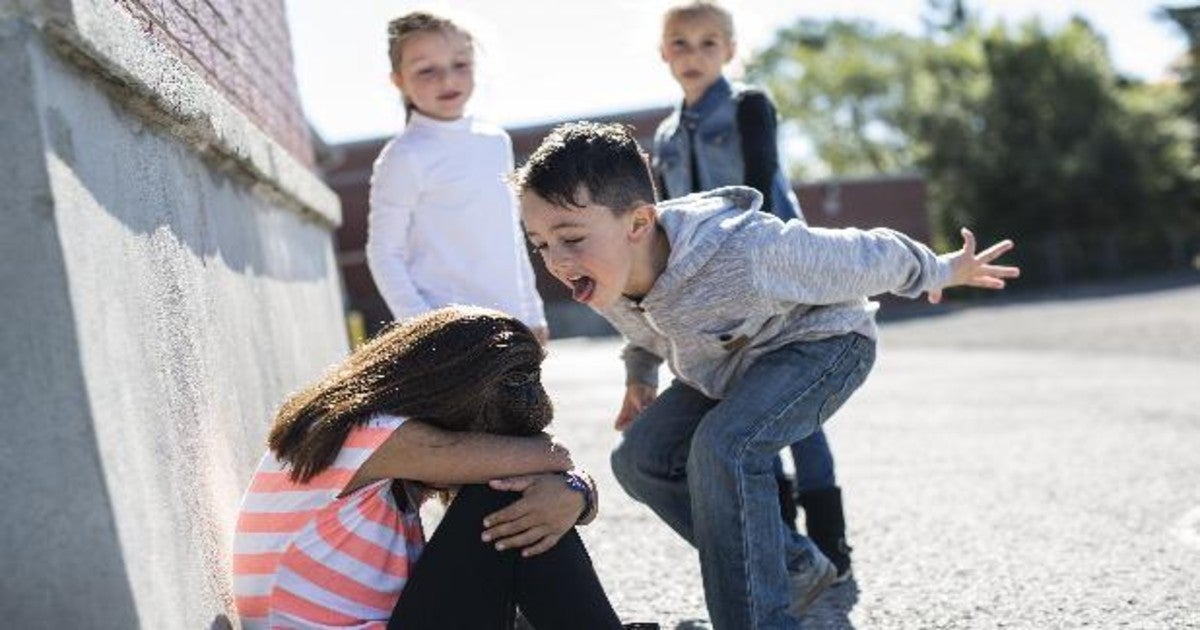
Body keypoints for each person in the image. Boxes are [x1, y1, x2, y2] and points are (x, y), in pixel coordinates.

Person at [513, 122, 1019, 629]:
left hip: (823, 345)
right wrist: (639, 374)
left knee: (724, 446)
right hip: (725, 368)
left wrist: (941, 269)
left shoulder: (745, 252)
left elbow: (864, 254)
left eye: (571, 238)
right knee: (639, 459)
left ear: (639, 223)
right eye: (539, 245)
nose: (556, 261)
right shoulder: (605, 271)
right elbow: (644, 329)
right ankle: (793, 567)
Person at [231, 306, 623, 629]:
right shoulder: (363, 433)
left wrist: (577, 492)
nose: (482, 451)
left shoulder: (372, 450)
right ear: (451, 398)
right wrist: (572, 484)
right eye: (483, 437)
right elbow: (551, 456)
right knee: (502, 493)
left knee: (517, 507)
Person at [650, 0, 850, 576]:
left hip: (777, 279)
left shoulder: (749, 106)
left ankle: (832, 546)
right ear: (664, 53)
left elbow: (761, 184)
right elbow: (667, 217)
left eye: (709, 43)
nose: (694, 55)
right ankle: (787, 549)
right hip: (711, 297)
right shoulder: (664, 134)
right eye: (681, 44)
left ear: (731, 51)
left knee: (797, 415)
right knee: (747, 415)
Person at [367, 11, 548, 343]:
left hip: (512, 325)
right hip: (450, 336)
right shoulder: (404, 156)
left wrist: (532, 313)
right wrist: (424, 328)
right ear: (399, 81)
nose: (447, 80)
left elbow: (510, 236)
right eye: (426, 70)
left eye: (460, 64)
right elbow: (383, 252)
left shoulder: (496, 142)